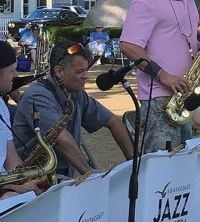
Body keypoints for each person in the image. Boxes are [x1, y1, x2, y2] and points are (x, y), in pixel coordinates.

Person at [120, 0, 200, 153]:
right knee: (162, 170)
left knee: (182, 170)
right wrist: (164, 75)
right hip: (159, 98)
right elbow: (128, 45)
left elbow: (182, 37)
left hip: (183, 95)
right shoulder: (147, 1)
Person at [13, 40, 133, 177]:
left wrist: (135, 162)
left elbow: (113, 121)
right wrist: (91, 176)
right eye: (80, 71)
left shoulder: (77, 93)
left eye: (87, 70)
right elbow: (61, 140)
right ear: (59, 71)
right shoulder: (37, 95)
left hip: (63, 175)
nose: (86, 76)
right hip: (34, 178)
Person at [0, 41, 45, 199]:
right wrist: (19, 188)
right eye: (12, 71)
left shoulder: (1, 105)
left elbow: (11, 159)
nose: (16, 76)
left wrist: (28, 179)